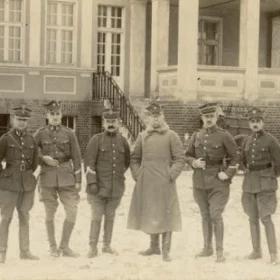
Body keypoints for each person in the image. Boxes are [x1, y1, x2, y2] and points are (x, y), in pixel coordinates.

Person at [127, 100, 185, 262]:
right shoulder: (143, 136)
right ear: (148, 119)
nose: (156, 119)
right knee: (151, 211)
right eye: (152, 116)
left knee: (166, 213)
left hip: (165, 182)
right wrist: (138, 175)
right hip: (147, 182)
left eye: (158, 116)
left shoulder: (171, 136)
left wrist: (171, 175)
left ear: (163, 117)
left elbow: (180, 158)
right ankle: (154, 247)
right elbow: (134, 158)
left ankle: (166, 250)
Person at [185, 102, 238, 263]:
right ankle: (207, 248)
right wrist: (194, 163)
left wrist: (227, 173)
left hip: (218, 182)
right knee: (205, 215)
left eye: (211, 116)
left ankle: (220, 251)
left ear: (216, 117)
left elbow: (236, 157)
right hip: (199, 182)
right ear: (201, 118)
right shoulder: (196, 135)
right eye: (206, 116)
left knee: (215, 214)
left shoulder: (224, 136)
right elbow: (187, 155)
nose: (208, 119)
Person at [34, 100, 82, 258]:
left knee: (72, 212)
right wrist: (43, 158)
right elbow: (32, 153)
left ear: (61, 115)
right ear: (47, 116)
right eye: (52, 114)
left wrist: (78, 179)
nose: (55, 117)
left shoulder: (69, 133)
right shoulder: (40, 133)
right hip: (47, 177)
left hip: (67, 177)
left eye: (57, 114)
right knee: (49, 214)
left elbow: (76, 157)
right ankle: (53, 247)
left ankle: (65, 246)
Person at [84, 109, 130, 258]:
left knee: (110, 217)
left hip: (115, 189)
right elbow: (89, 163)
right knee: (96, 218)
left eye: (113, 122)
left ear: (118, 123)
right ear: (104, 123)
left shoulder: (123, 141)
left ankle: (106, 245)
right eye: (108, 122)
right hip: (97, 188)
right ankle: (92, 247)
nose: (111, 124)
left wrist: (118, 179)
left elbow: (126, 163)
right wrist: (92, 183)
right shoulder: (96, 140)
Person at [240, 107, 280, 265]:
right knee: (252, 218)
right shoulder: (247, 140)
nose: (255, 124)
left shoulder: (271, 140)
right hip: (250, 183)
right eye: (252, 121)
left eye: (258, 121)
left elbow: (279, 163)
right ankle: (256, 251)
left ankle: (273, 254)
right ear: (249, 123)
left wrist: (270, 176)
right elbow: (243, 159)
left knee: (266, 218)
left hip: (265, 183)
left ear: (263, 122)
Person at [0, 104, 39, 263]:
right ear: (12, 119)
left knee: (24, 216)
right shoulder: (5, 139)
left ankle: (25, 250)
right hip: (9, 185)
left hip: (27, 185)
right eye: (19, 119)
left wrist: (29, 177)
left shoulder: (31, 139)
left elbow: (35, 163)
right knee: (6, 218)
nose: (22, 122)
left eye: (25, 119)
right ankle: (2, 251)